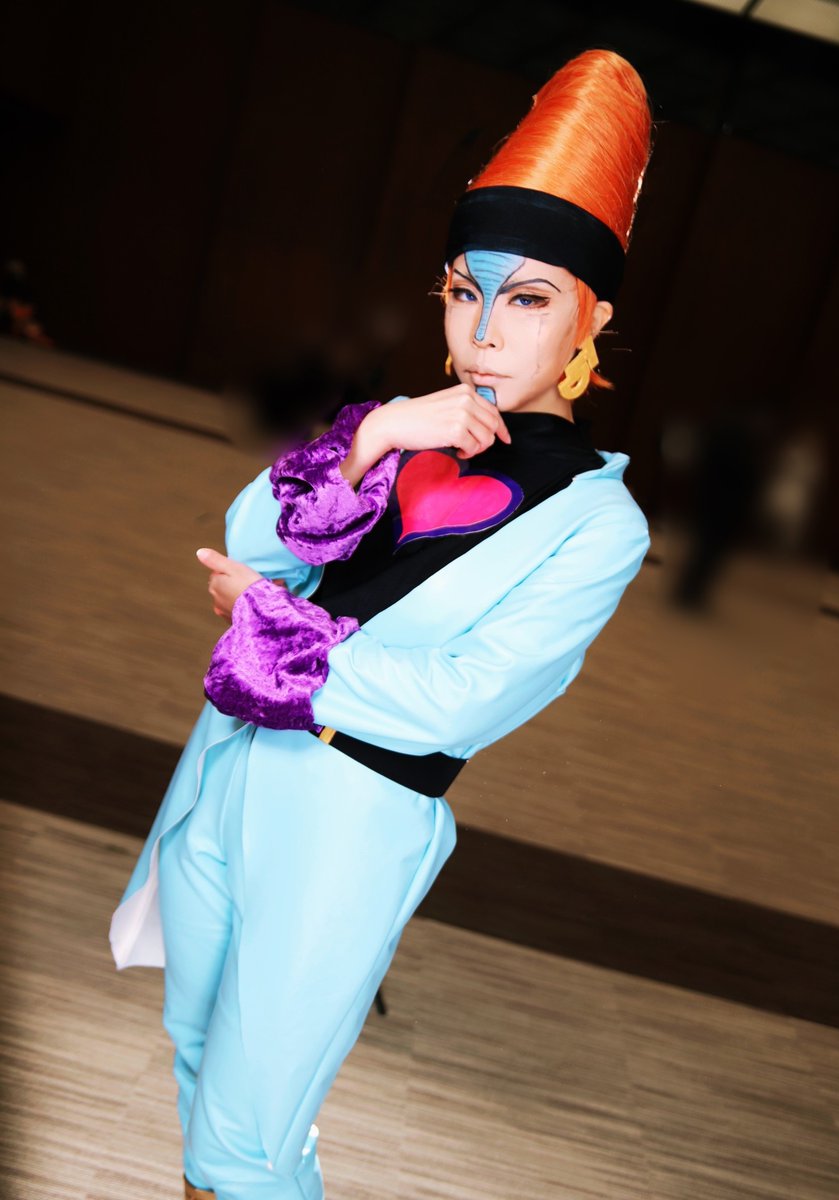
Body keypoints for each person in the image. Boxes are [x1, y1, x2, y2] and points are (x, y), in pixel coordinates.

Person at [110, 48, 654, 1200]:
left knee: (247, 1140)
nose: (484, 330)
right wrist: (372, 436)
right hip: (225, 762)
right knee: (196, 1055)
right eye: (463, 291)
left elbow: (465, 698)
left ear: (592, 316)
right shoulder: (404, 425)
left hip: (350, 813)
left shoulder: (597, 521)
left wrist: (273, 634)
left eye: (528, 298)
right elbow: (248, 542)